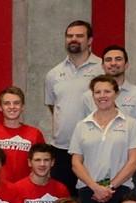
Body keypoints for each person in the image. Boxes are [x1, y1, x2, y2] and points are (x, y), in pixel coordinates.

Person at [70, 75, 136, 203]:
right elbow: (76, 163)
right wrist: (95, 187)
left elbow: (134, 162)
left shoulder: (130, 124)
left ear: (116, 94)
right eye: (97, 92)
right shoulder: (81, 125)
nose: (102, 96)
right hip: (89, 191)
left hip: (120, 190)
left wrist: (110, 187)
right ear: (93, 95)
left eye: (107, 91)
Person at [84, 45, 136, 195]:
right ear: (102, 65)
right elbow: (84, 131)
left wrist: (124, 154)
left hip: (129, 166)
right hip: (95, 168)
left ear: (126, 64)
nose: (113, 63)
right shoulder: (87, 96)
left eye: (118, 59)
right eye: (108, 60)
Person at [44, 20, 103, 192]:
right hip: (62, 149)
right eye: (70, 36)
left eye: (79, 36)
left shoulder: (103, 69)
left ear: (90, 40)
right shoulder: (53, 74)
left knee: (91, 201)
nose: (74, 39)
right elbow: (54, 107)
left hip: (93, 148)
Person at [0, 87, 45, 183]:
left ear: (22, 107)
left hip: (25, 189)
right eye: (7, 103)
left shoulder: (35, 134)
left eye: (16, 103)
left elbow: (44, 163)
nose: (12, 107)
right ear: (0, 107)